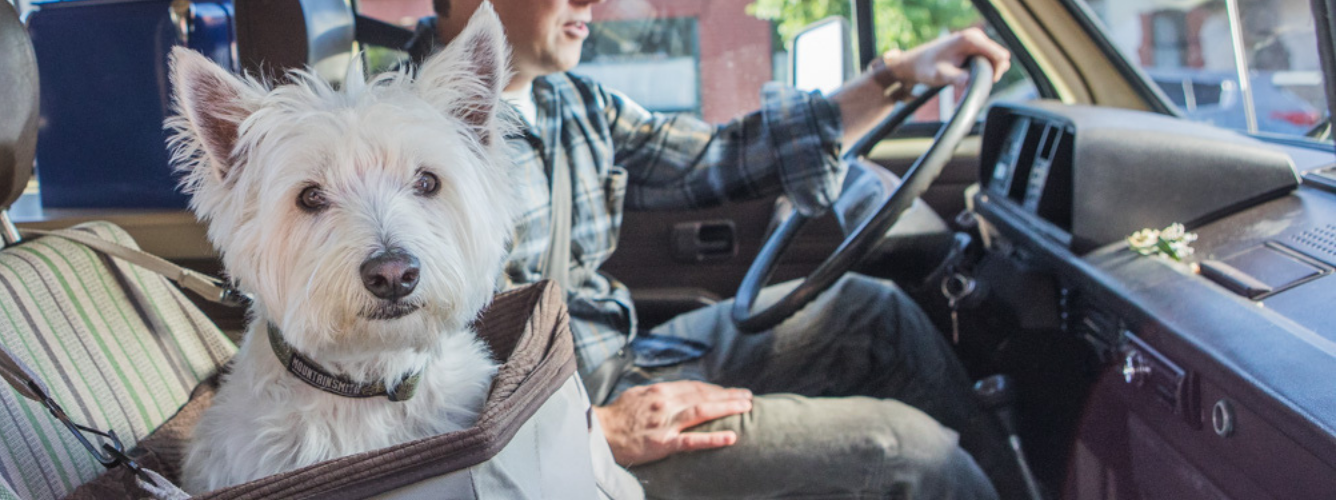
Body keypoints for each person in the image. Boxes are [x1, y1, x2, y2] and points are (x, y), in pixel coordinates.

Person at [407, 0, 1020, 497]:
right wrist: (601, 428)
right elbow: (405, 368)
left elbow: (718, 157)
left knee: (873, 313)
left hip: (620, 357)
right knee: (912, 452)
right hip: (561, 432)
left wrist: (892, 77)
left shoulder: (571, 102)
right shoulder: (398, 136)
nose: (592, 2)